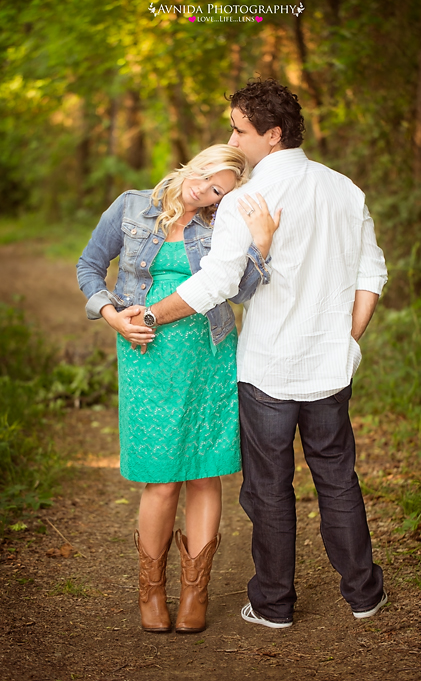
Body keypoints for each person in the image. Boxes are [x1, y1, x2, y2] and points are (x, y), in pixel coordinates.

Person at [129, 79, 389, 629]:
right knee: (338, 478)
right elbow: (372, 273)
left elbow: (217, 283)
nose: (232, 138)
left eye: (240, 130)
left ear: (272, 135)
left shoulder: (247, 198)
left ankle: (273, 606)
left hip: (268, 367)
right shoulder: (346, 189)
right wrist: (349, 339)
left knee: (269, 489)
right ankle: (364, 595)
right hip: (329, 367)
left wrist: (151, 315)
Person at [76, 144, 280, 634]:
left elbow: (241, 290)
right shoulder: (129, 206)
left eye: (218, 190)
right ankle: (150, 591)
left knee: (205, 474)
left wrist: (262, 245)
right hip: (147, 355)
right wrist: (112, 317)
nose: (207, 188)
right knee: (162, 479)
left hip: (208, 356)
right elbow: (88, 268)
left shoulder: (218, 225)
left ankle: (194, 594)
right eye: (209, 175)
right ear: (198, 161)